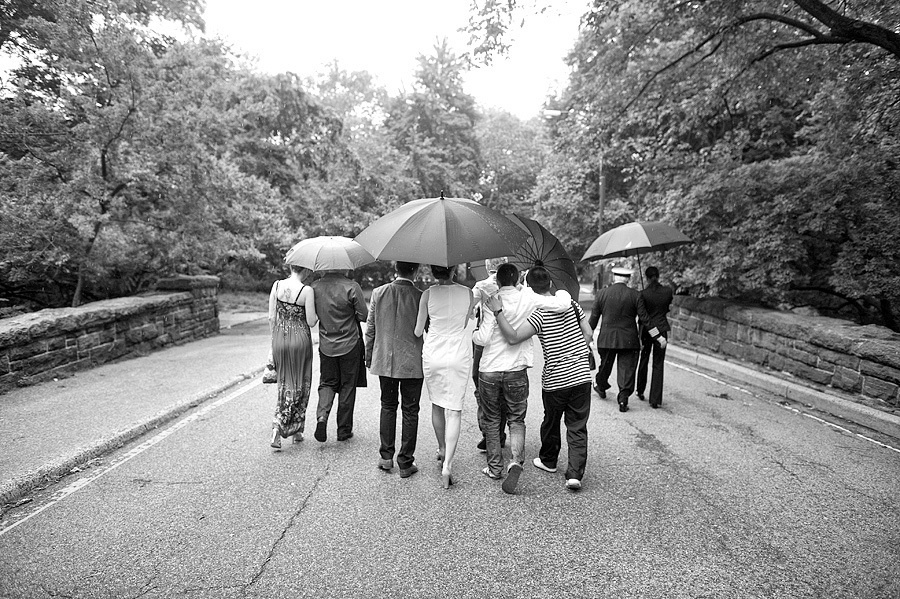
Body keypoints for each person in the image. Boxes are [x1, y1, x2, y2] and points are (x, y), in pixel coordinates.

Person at [486, 266, 594, 491]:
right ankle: (574, 475)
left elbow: (513, 337)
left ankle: (549, 461)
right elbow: (589, 333)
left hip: (556, 378)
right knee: (577, 425)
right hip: (582, 374)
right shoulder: (572, 305)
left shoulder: (538, 314)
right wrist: (577, 353)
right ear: (551, 284)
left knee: (552, 421)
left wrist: (498, 312)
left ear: (530, 288)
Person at [473, 263, 571, 494]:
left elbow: (483, 338)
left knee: (492, 419)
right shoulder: (527, 297)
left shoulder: (492, 301)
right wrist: (562, 291)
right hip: (516, 369)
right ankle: (516, 461)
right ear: (517, 279)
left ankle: (494, 468)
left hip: (490, 369)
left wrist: (474, 334)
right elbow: (562, 304)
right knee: (516, 419)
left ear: (497, 281)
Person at [415, 264, 475, 489]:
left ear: (434, 272)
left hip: (434, 354)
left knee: (437, 404)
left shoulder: (427, 294)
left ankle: (441, 447)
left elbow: (418, 331)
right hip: (458, 354)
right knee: (455, 411)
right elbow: (465, 323)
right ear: (453, 271)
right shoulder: (467, 293)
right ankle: (447, 465)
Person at [365, 261, 425, 479]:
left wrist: (369, 356)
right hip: (412, 362)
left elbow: (370, 328)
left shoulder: (378, 293)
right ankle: (406, 462)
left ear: (396, 270)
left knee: (388, 406)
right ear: (415, 271)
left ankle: (386, 456)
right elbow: (428, 328)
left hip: (386, 360)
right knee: (411, 410)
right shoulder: (420, 296)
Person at [589, 266, 662, 412]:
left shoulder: (602, 293)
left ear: (614, 277)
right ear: (628, 279)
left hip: (607, 339)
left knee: (605, 366)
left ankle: (601, 386)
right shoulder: (635, 295)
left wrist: (586, 337)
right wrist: (657, 336)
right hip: (629, 340)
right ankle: (623, 399)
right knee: (627, 370)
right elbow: (645, 319)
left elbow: (594, 318)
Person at [311, 269, 368, 442]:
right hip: (349, 344)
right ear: (343, 266)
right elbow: (364, 316)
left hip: (326, 345)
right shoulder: (352, 287)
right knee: (347, 385)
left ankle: (322, 417)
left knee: (327, 382)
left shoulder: (314, 287)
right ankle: (343, 430)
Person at [267, 265, 319, 449]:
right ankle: (288, 427)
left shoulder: (277, 285)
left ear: (290, 266)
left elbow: (271, 317)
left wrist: (274, 341)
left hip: (280, 338)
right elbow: (311, 322)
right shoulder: (307, 291)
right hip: (299, 340)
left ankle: (289, 429)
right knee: (300, 385)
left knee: (284, 385)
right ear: (306, 270)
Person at [471, 257, 508, 452]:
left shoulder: (481, 286)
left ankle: (488, 431)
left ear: (487, 266)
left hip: (484, 342)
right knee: (503, 389)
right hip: (507, 341)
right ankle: (498, 432)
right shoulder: (515, 286)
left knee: (480, 383)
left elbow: (468, 309)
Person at [636, 266, 674, 409]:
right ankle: (655, 399)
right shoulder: (667, 291)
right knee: (658, 363)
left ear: (646, 278)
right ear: (658, 276)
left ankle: (640, 390)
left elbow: (642, 315)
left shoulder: (643, 294)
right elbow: (666, 308)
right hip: (662, 329)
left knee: (644, 359)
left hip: (647, 331)